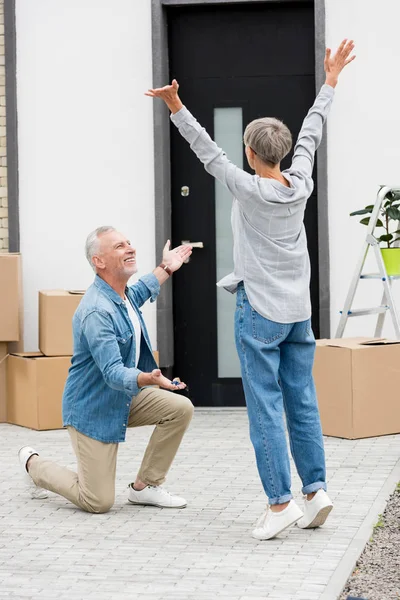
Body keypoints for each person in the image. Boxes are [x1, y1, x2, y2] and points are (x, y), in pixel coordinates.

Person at [146, 40, 356, 539]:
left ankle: (280, 503)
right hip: (298, 313)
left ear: (249, 152)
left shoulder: (246, 186)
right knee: (301, 399)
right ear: (280, 153)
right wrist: (329, 81)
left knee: (264, 403)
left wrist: (176, 106)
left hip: (260, 312)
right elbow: (312, 132)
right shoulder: (299, 180)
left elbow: (207, 151)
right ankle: (315, 490)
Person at [18, 226, 194, 513]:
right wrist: (147, 377)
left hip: (125, 396)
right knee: (98, 501)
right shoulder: (97, 310)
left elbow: (143, 289)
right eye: (119, 246)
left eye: (129, 243)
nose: (130, 248)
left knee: (180, 409)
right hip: (93, 408)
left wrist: (167, 267)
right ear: (99, 261)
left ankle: (145, 486)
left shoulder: (122, 295)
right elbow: (113, 372)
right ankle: (33, 464)